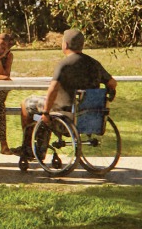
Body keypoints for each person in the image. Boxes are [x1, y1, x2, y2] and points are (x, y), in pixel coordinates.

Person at [22, 29, 115, 159]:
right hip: (89, 118)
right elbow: (112, 83)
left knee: (28, 103)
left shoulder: (65, 64)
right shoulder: (94, 64)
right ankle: (39, 148)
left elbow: (53, 89)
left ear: (65, 45)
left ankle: (29, 149)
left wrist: (46, 113)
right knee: (46, 105)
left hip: (66, 117)